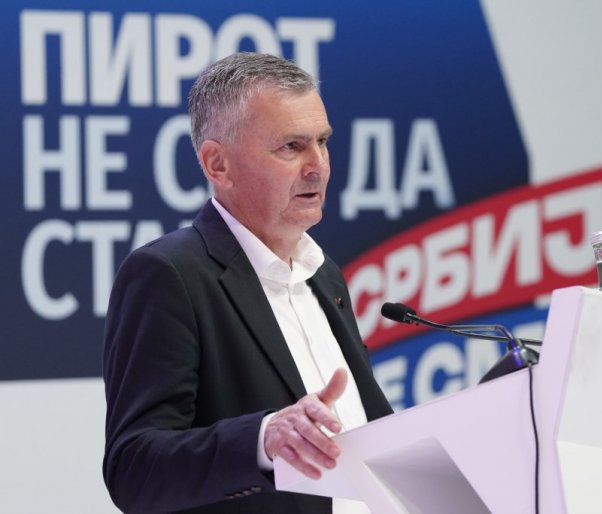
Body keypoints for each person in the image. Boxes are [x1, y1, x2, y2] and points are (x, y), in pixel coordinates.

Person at [102, 52, 393, 514]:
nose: (318, 166)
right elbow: (134, 468)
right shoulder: (169, 275)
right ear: (217, 164)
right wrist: (261, 440)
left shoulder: (324, 275)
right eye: (291, 147)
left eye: (322, 141)